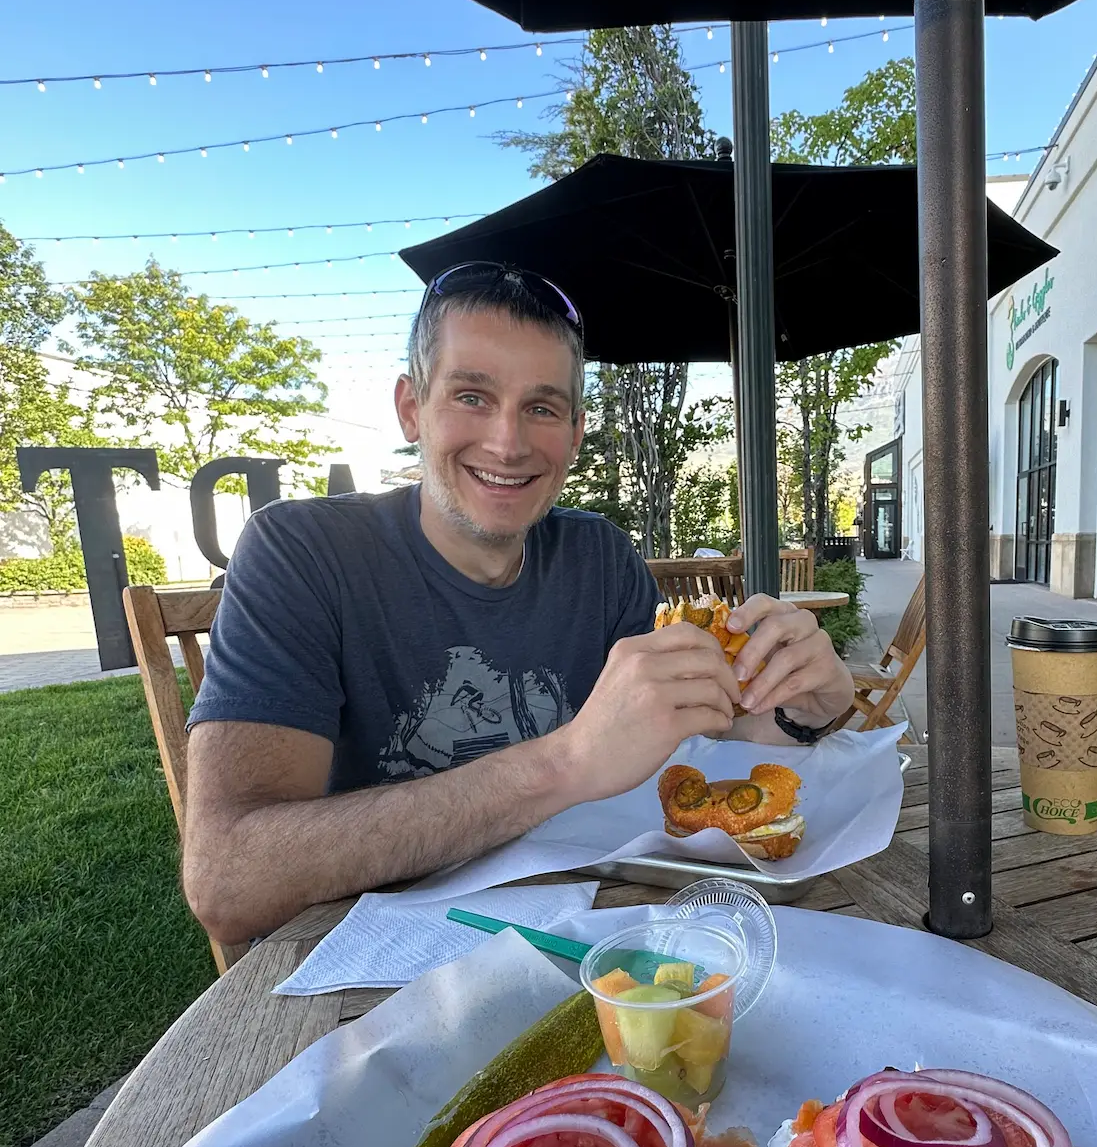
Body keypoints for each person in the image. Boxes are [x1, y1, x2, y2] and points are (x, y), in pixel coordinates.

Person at [182, 261, 857, 944]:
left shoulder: (598, 557)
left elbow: (706, 737)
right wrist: (562, 765)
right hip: (371, 961)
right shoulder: (302, 552)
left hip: (588, 933)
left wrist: (804, 710)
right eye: (472, 396)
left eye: (541, 407)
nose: (507, 443)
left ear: (575, 431)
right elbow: (228, 882)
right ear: (412, 407)